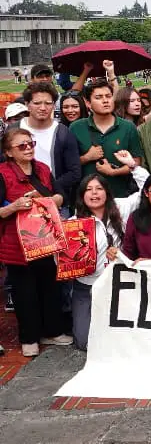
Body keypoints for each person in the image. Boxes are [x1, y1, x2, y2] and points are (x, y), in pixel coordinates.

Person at [0, 128, 69, 357]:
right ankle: (28, 337)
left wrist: (45, 200)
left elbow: (60, 196)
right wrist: (14, 206)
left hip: (45, 240)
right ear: (9, 152)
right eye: (22, 145)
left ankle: (52, 330)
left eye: (30, 143)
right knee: (24, 293)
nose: (28, 148)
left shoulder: (43, 169)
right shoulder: (2, 173)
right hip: (17, 244)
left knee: (51, 288)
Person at [70, 150, 149, 350]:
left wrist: (132, 165)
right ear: (82, 195)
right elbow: (62, 261)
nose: (94, 193)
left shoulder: (121, 208)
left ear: (107, 192)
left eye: (99, 189)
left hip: (118, 283)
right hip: (86, 286)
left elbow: (147, 188)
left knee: (124, 337)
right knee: (83, 342)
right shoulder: (72, 224)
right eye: (89, 189)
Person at [69, 79, 143, 198]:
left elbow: (136, 162)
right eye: (98, 97)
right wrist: (87, 157)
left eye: (108, 96)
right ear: (88, 103)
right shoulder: (76, 128)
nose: (105, 101)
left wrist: (114, 172)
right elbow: (68, 164)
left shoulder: (128, 127)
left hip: (120, 198)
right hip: (87, 199)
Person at [18, 82, 81, 214]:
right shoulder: (14, 131)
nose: (43, 108)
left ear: (54, 105)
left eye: (48, 103)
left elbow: (74, 172)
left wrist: (45, 189)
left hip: (55, 202)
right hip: (18, 202)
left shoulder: (63, 133)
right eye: (37, 103)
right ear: (27, 104)